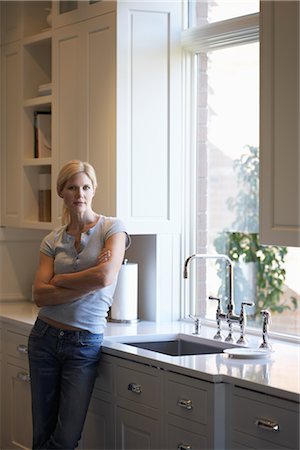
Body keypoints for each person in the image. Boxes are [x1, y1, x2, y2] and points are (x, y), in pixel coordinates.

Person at [28, 160, 130, 450]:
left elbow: (105, 276)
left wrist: (59, 280)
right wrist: (87, 281)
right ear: (61, 191)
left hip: (84, 344)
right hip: (44, 338)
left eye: (85, 187)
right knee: (42, 435)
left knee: (65, 439)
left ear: (94, 189)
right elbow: (39, 296)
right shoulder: (52, 240)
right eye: (72, 187)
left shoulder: (113, 229)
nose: (79, 194)